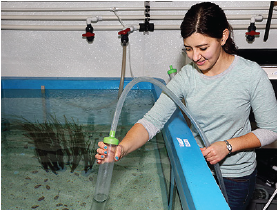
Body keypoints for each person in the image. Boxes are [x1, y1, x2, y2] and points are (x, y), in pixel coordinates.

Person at [96, 2, 277, 210]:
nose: (195, 57)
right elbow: (151, 122)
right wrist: (121, 148)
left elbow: (271, 130)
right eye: (188, 49)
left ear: (223, 37)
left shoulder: (250, 75)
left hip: (236, 177)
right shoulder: (186, 77)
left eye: (203, 48)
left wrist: (228, 146)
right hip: (198, 167)